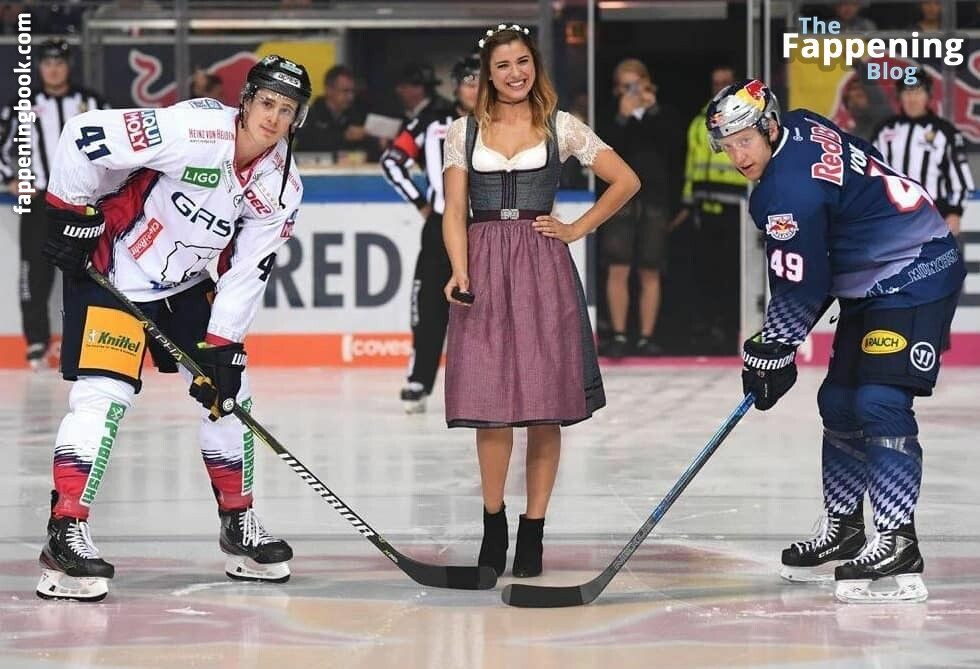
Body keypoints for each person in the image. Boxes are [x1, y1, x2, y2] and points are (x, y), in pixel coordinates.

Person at [35, 54, 311, 602]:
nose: (274, 118)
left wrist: (225, 344)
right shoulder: (193, 130)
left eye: (287, 110)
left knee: (230, 397)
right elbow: (83, 134)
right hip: (114, 268)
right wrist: (68, 212)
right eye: (266, 103)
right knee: (104, 398)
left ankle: (238, 524)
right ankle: (65, 532)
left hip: (184, 285)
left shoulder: (282, 185)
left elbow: (247, 269)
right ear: (246, 100)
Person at [707, 79, 964, 603]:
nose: (738, 156)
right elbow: (829, 241)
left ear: (769, 127)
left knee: (880, 401)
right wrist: (777, 345)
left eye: (745, 141)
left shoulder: (785, 194)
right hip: (874, 278)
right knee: (839, 402)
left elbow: (803, 284)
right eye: (728, 146)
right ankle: (845, 528)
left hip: (917, 272)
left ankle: (897, 540)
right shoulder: (803, 122)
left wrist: (774, 348)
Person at [442, 24, 639, 578]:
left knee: (543, 405)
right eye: (503, 65)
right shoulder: (463, 131)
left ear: (536, 65)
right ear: (488, 74)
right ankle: (493, 526)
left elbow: (626, 180)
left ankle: (533, 531)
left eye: (523, 62)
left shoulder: (562, 126)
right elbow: (454, 210)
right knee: (489, 407)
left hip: (541, 265)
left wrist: (577, 228)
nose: (515, 74)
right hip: (483, 263)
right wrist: (459, 268)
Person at [0, 39, 108, 370]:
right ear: (39, 67)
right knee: (34, 271)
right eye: (47, 63)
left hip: (82, 201)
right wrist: (10, 179)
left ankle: (86, 338)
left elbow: (115, 148)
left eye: (59, 62)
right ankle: (36, 343)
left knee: (87, 270)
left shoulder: (92, 103)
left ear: (68, 65)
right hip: (39, 201)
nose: (54, 69)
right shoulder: (22, 105)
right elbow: (2, 147)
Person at [380, 54, 479, 413]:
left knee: (493, 305)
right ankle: (419, 379)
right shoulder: (433, 121)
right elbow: (391, 162)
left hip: (487, 226)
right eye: (468, 81)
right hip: (440, 225)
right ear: (455, 85)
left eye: (482, 81)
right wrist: (422, 204)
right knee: (429, 305)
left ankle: (492, 380)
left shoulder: (503, 121)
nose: (475, 88)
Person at [599, 59, 684, 357]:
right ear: (616, 89)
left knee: (651, 268)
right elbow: (603, 152)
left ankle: (647, 337)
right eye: (627, 86)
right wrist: (623, 118)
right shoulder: (609, 116)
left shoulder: (663, 114)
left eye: (637, 84)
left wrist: (653, 110)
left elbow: (674, 148)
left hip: (654, 199)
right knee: (618, 265)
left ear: (648, 83)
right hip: (619, 199)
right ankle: (619, 335)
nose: (633, 92)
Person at [675, 64, 748, 353]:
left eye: (726, 82)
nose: (720, 87)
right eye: (716, 82)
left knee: (734, 273)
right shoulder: (699, 122)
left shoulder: (746, 117)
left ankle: (730, 328)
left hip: (736, 208)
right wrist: (687, 202)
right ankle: (710, 327)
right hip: (704, 208)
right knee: (707, 272)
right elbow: (691, 166)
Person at [872, 71, 974, 238]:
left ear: (928, 96)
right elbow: (872, 171)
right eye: (907, 92)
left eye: (918, 92)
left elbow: (960, 178)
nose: (912, 99)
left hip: (932, 215)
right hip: (890, 214)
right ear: (899, 96)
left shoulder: (944, 132)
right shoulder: (885, 130)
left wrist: (955, 211)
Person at [295, 64, 376, 160]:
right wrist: (344, 136)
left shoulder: (355, 116)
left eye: (352, 91)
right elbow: (307, 143)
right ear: (329, 90)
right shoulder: (309, 115)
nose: (351, 97)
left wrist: (374, 139)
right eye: (345, 91)